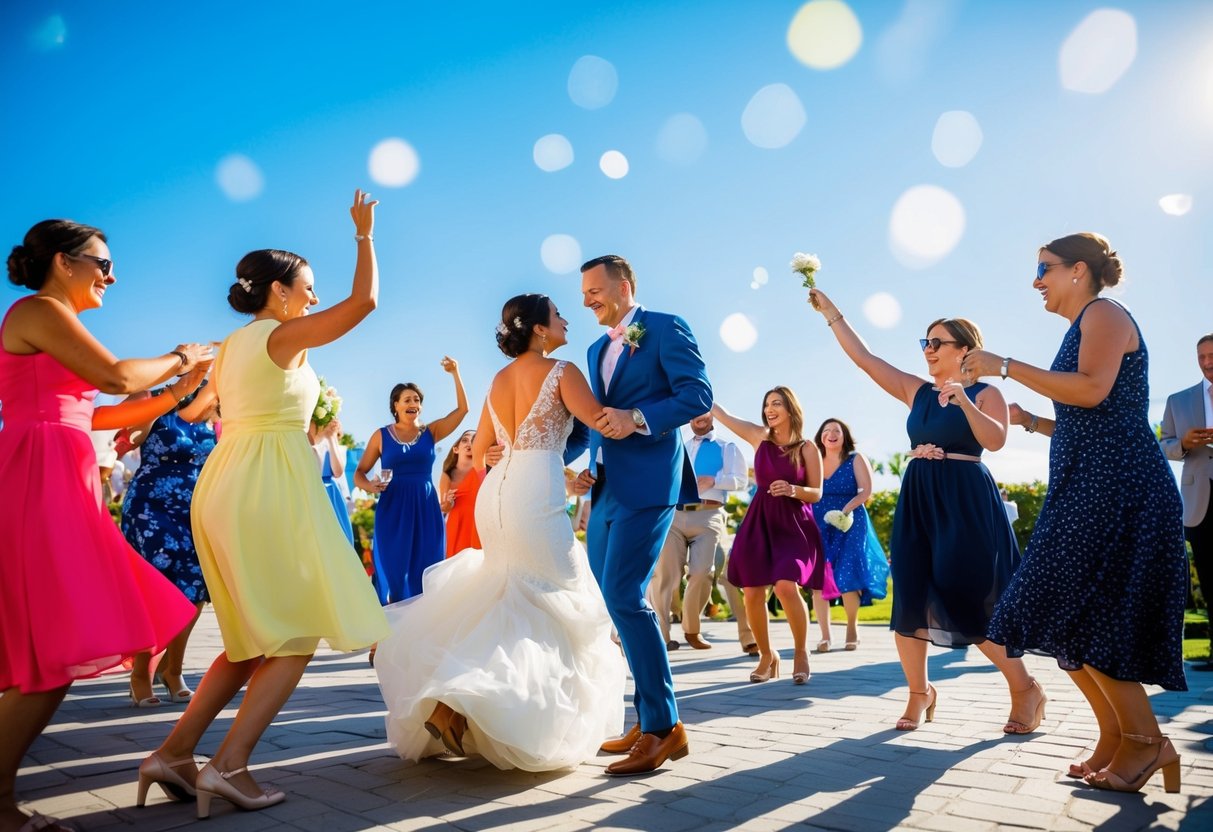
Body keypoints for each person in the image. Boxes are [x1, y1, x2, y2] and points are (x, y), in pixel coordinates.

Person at [143, 191, 390, 819]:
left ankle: (173, 753)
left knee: (249, 640)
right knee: (295, 631)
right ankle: (229, 766)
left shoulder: (229, 346)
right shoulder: (281, 335)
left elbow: (211, 411)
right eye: (307, 287)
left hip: (225, 481)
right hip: (267, 482)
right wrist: (363, 235)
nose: (313, 296)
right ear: (279, 292)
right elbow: (363, 304)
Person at [1, 218, 210, 832]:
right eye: (102, 263)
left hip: (64, 475)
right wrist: (181, 356)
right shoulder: (36, 309)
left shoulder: (57, 324)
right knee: (57, 646)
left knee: (56, 645)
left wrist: (180, 389)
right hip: (42, 477)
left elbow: (104, 412)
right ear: (64, 262)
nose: (111, 276)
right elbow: (117, 377)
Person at [967, 233, 1188, 793]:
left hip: (1119, 489)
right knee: (1061, 610)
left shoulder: (1105, 313)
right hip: (1087, 487)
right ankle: (1117, 738)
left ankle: (1146, 742)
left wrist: (1007, 366)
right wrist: (1035, 422)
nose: (1036, 280)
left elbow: (1091, 391)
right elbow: (1093, 413)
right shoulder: (1081, 326)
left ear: (1079, 270)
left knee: (1082, 610)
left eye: (1044, 268)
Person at [375, 293, 624, 771]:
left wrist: (517, 455)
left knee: (508, 593)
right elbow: (599, 422)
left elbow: (484, 450)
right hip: (536, 492)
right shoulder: (563, 371)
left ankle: (451, 705)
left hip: (498, 494)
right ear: (539, 329)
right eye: (557, 316)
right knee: (556, 594)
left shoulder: (498, 380)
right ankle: (468, 703)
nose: (566, 320)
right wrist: (638, 414)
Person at [809, 287, 1045, 735]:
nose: (929, 350)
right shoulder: (917, 392)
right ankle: (920, 692)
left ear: (965, 351)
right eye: (926, 343)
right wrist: (832, 313)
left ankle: (1025, 687)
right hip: (919, 498)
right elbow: (866, 359)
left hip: (965, 499)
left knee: (966, 596)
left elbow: (994, 440)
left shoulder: (986, 392)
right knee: (911, 595)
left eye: (938, 343)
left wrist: (964, 400)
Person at [572, 254, 712, 776]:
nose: (587, 301)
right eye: (583, 294)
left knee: (627, 596)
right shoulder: (593, 349)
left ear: (624, 286)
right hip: (605, 486)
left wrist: (637, 418)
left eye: (594, 291)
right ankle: (647, 714)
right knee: (614, 600)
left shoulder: (664, 327)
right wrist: (568, 464)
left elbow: (697, 395)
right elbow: (591, 421)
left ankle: (663, 729)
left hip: (651, 480)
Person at [711, 389, 824, 685]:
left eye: (777, 404)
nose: (770, 409)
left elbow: (817, 492)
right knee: (752, 592)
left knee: (787, 586)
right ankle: (767, 655)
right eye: (767, 404)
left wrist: (792, 490)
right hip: (759, 522)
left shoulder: (807, 447)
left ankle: (801, 652)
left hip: (794, 524)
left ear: (790, 409)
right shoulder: (759, 436)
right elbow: (720, 413)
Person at [121, 383, 220, 707]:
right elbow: (129, 437)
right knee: (154, 588)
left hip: (194, 510)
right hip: (151, 508)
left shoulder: (214, 419)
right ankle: (140, 673)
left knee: (194, 590)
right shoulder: (158, 404)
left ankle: (172, 670)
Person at [355, 361, 468, 602]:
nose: (413, 404)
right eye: (407, 399)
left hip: (425, 507)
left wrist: (455, 373)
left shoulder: (431, 432)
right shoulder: (381, 435)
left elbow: (462, 410)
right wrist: (370, 486)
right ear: (395, 405)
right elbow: (359, 473)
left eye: (417, 400)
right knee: (393, 571)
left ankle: (419, 630)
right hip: (392, 509)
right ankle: (390, 627)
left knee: (426, 570)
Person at [648, 411, 747, 651]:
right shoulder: (677, 445)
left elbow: (741, 481)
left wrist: (715, 481)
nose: (698, 417)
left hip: (709, 514)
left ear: (711, 414)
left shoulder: (727, 447)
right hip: (674, 514)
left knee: (703, 572)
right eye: (693, 413)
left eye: (703, 412)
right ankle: (661, 634)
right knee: (665, 574)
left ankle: (692, 628)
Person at [809, 418, 890, 653]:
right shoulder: (813, 460)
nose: (831, 434)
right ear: (820, 437)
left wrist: (844, 512)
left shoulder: (855, 459)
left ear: (845, 436)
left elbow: (866, 491)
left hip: (850, 521)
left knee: (847, 575)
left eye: (837, 430)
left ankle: (852, 629)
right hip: (818, 522)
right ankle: (825, 636)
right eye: (826, 431)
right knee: (818, 579)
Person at [1159, 333, 1213, 672]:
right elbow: (1164, 444)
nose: (1207, 363)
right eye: (1201, 357)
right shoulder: (1178, 401)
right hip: (1200, 500)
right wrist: (1184, 443)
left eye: (1212, 356)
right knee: (1209, 578)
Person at [309, 418, 356, 549]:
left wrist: (331, 438)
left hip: (330, 494)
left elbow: (338, 471)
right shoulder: (301, 442)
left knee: (335, 541)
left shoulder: (334, 447)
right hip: (309, 490)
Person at [439, 429, 484, 557]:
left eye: (474, 440)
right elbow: (445, 507)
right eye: (465, 440)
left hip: (479, 524)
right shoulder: (447, 475)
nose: (469, 443)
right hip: (457, 525)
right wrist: (449, 502)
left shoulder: (482, 470)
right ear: (456, 449)